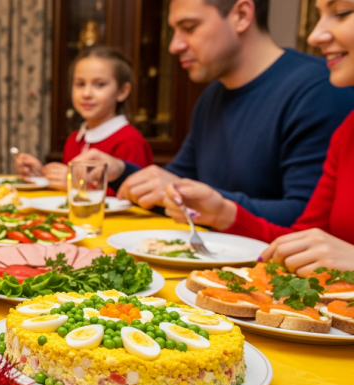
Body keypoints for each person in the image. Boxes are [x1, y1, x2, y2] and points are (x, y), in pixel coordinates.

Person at [73, 0, 354, 227]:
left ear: (242, 15)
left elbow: (307, 222)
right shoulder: (213, 95)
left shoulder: (319, 90)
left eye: (189, 28)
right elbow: (175, 182)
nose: (174, 45)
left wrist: (211, 203)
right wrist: (122, 171)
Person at [163, 0, 354, 276]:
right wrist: (225, 214)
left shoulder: (318, 91)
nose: (314, 36)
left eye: (342, 13)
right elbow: (300, 240)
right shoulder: (348, 131)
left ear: (243, 15)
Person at [15, 46, 152, 191]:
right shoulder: (74, 140)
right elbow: (66, 191)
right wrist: (41, 175)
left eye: (100, 84)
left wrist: (74, 184)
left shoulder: (130, 142)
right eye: (80, 84)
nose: (86, 93)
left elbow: (133, 197)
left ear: (122, 91)